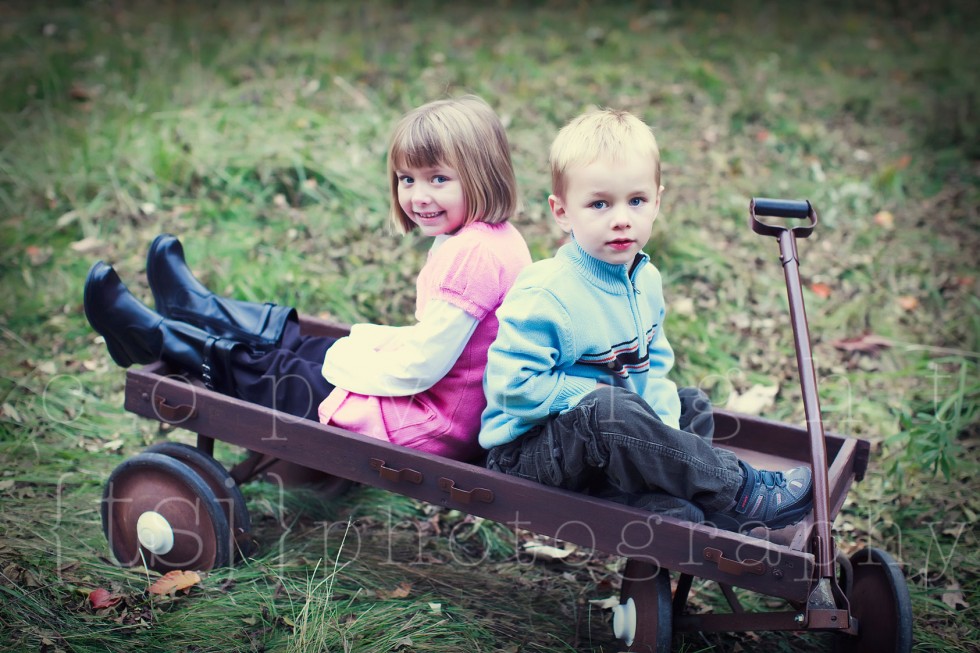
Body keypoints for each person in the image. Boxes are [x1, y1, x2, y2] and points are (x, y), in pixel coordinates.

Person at [84, 95, 532, 462]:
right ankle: (198, 310)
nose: (419, 196)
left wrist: (344, 366)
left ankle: (157, 339)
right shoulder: (493, 238)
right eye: (406, 179)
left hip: (429, 424)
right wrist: (351, 354)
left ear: (482, 176)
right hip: (447, 404)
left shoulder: (472, 256)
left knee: (288, 372)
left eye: (438, 178)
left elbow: (421, 367)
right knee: (309, 346)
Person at [479, 108, 813, 531]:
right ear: (562, 212)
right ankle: (741, 492)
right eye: (599, 203)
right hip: (527, 453)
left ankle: (668, 500)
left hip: (604, 440)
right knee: (610, 410)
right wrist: (602, 398)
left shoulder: (645, 280)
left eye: (636, 201)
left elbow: (652, 368)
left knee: (689, 404)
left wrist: (664, 437)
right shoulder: (546, 294)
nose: (621, 218)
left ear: (657, 201)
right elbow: (513, 390)